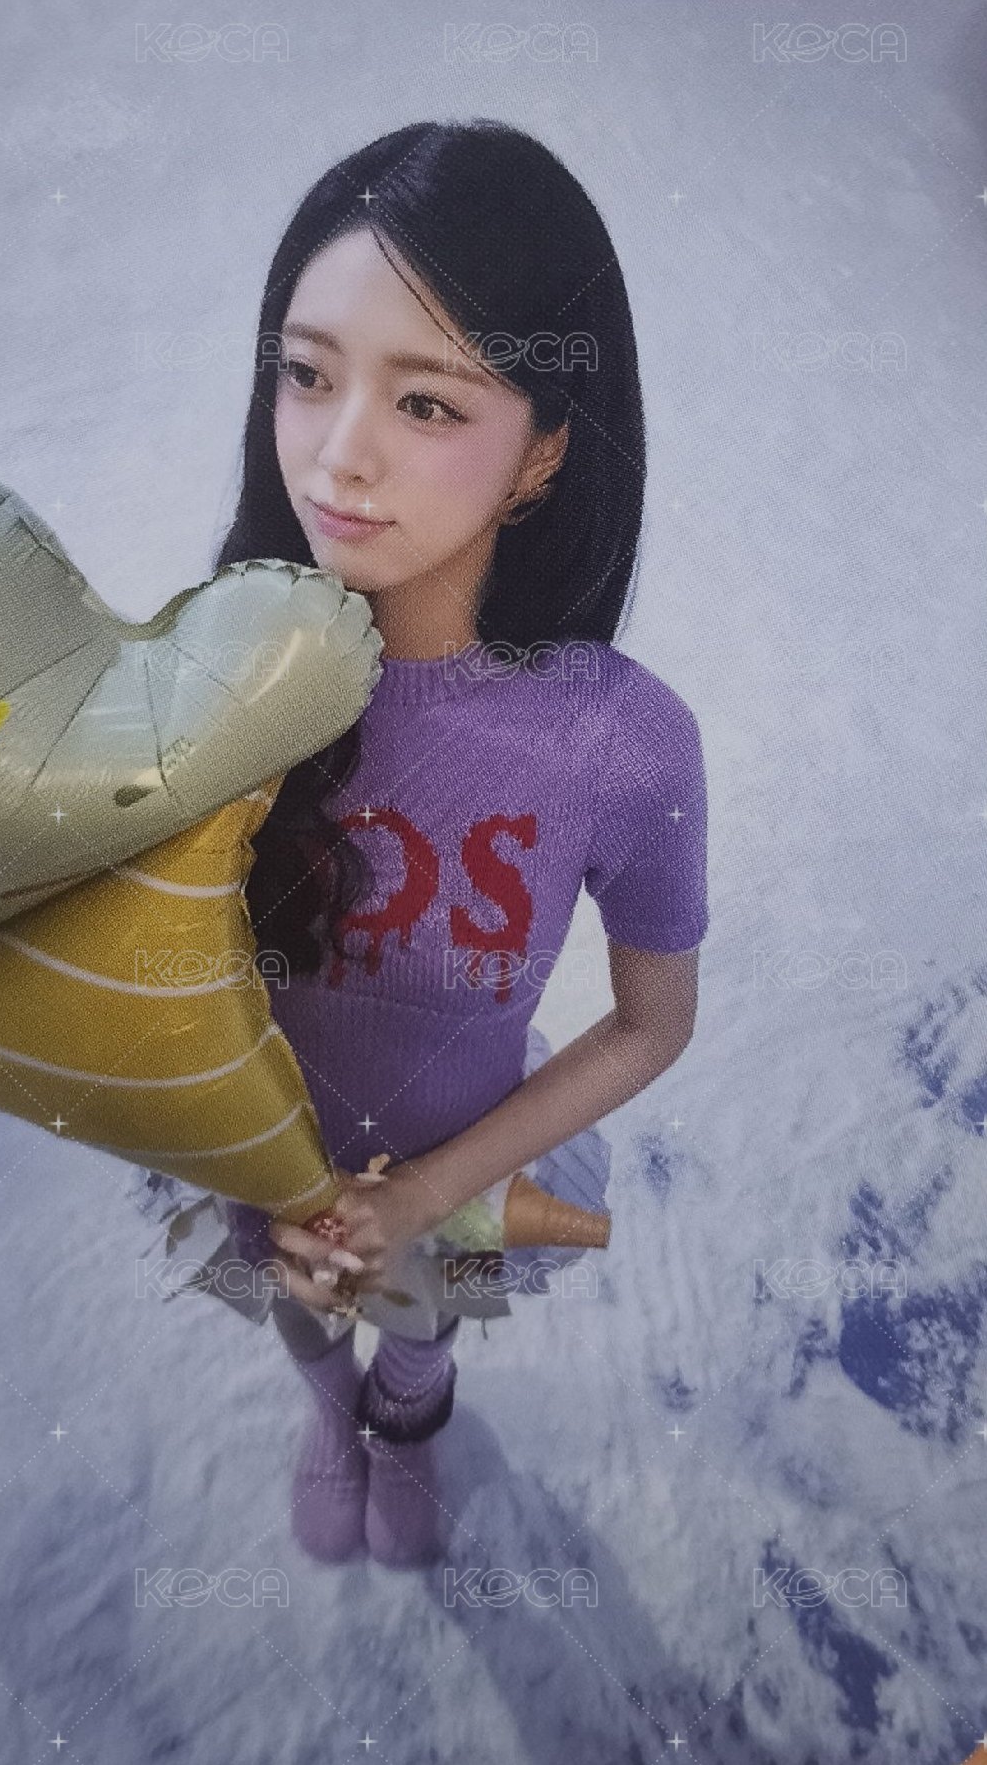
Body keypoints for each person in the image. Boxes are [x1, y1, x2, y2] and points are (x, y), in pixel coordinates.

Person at [145, 117, 710, 1569]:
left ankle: (408, 1417)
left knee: (420, 1320)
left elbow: (652, 1021)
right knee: (294, 1309)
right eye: (307, 373)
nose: (339, 455)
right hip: (253, 1153)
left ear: (543, 455)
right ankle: (329, 1415)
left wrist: (423, 1193)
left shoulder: (618, 741)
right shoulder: (215, 676)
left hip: (459, 1160)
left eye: (427, 403)